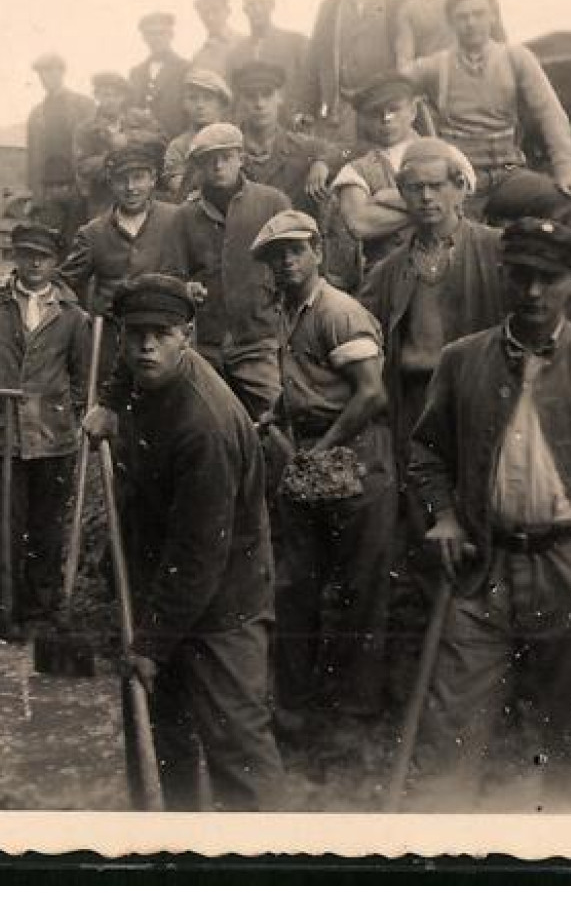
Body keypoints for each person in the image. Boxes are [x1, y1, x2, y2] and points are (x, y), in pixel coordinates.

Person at [407, 218, 571, 808]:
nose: (532, 293)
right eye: (521, 277)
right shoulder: (461, 360)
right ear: (503, 276)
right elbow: (425, 454)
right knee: (445, 749)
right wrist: (445, 516)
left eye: (548, 279)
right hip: (484, 571)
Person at [83, 274, 285, 810]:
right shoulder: (145, 367)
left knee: (237, 750)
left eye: (162, 333)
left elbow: (199, 555)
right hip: (163, 587)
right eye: (135, 333)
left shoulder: (205, 426)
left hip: (223, 606)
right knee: (164, 734)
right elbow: (129, 370)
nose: (146, 345)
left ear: (188, 335)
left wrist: (150, 644)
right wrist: (106, 402)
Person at [252, 210, 396, 721]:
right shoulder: (288, 311)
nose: (287, 263)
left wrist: (324, 446)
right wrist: (276, 415)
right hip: (311, 452)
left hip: (356, 456)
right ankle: (295, 706)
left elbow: (371, 394)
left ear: (317, 251)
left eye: (296, 250)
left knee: (359, 587)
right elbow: (309, 382)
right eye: (276, 256)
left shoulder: (339, 310)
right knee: (296, 584)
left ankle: (354, 713)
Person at [402, 0, 571, 311]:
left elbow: (550, 112)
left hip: (510, 174)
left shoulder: (515, 57)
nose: (471, 23)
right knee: (454, 242)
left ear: (493, 17)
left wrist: (566, 169)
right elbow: (392, 87)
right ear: (452, 24)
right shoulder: (436, 65)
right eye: (462, 17)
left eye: (478, 14)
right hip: (464, 181)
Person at [357, 139, 506, 544]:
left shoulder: (496, 250)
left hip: (481, 395)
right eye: (414, 188)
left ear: (459, 188)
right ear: (402, 194)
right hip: (416, 401)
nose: (425, 197)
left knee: (488, 497)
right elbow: (361, 331)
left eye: (436, 186)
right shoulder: (388, 271)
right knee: (426, 509)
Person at [0, 223, 93, 629]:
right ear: (15, 258)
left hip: (54, 439)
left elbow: (82, 376)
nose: (35, 263)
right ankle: (5, 602)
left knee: (47, 523)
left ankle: (40, 604)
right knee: (3, 522)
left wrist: (60, 413)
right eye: (26, 254)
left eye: (43, 256)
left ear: (56, 263)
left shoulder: (73, 317)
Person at [168, 122, 291, 416]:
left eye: (225, 157)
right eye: (209, 160)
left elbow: (296, 260)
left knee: (276, 415)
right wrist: (185, 289)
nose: (218, 166)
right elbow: (173, 273)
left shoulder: (271, 202)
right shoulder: (185, 216)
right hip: (208, 345)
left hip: (260, 339)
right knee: (210, 422)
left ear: (241, 159)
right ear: (199, 166)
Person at [327, 72, 477, 291]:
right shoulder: (355, 169)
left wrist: (383, 198)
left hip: (452, 269)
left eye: (394, 109)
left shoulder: (448, 153)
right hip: (390, 279)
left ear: (413, 111)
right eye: (376, 113)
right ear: (365, 120)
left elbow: (461, 198)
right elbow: (360, 223)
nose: (386, 119)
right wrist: (433, 206)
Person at [295, 0, 414, 143]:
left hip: (386, 106)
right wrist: (306, 108)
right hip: (345, 109)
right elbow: (314, 60)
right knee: (345, 161)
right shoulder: (331, 5)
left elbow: (411, 56)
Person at [60, 143, 183, 324]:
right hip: (112, 335)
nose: (130, 187)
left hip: (164, 331)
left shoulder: (176, 219)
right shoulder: (93, 233)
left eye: (138, 178)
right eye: (121, 180)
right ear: (111, 183)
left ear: (153, 179)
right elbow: (65, 283)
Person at [229, 59, 340, 219]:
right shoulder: (227, 149)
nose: (259, 104)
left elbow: (345, 151)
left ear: (279, 98)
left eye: (267, 95)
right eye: (251, 96)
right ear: (240, 101)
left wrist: (323, 162)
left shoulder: (302, 147)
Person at [26, 52, 98, 245]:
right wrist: (36, 194)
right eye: (41, 73)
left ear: (62, 72)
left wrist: (89, 187)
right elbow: (32, 156)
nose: (45, 77)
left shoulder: (83, 105)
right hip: (49, 189)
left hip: (77, 186)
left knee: (80, 242)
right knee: (49, 244)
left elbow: (95, 144)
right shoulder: (36, 113)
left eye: (50, 71)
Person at [73, 71, 166, 219]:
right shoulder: (86, 129)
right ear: (96, 96)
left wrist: (130, 138)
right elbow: (82, 166)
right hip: (104, 198)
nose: (110, 100)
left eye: (115, 95)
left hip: (140, 194)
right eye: (105, 95)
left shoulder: (140, 119)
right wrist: (109, 156)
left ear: (123, 97)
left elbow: (161, 141)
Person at [225, 0, 309, 121]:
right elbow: (233, 100)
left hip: (291, 127)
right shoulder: (235, 54)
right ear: (244, 9)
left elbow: (310, 87)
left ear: (272, 6)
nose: (257, 9)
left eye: (262, 3)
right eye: (251, 4)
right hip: (251, 130)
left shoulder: (296, 42)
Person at [159, 67, 234, 199]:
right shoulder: (178, 147)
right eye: (193, 98)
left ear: (221, 103)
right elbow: (180, 191)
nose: (200, 105)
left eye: (208, 98)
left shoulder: (235, 140)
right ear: (184, 104)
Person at [128, 11, 193, 140]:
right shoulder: (135, 73)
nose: (156, 38)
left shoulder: (186, 68)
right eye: (150, 34)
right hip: (141, 146)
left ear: (171, 35)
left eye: (161, 33)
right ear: (144, 38)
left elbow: (192, 111)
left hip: (174, 143)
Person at [190, 0, 240, 75]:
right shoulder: (198, 56)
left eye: (215, 10)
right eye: (205, 13)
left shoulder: (243, 43)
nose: (210, 18)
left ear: (228, 11)